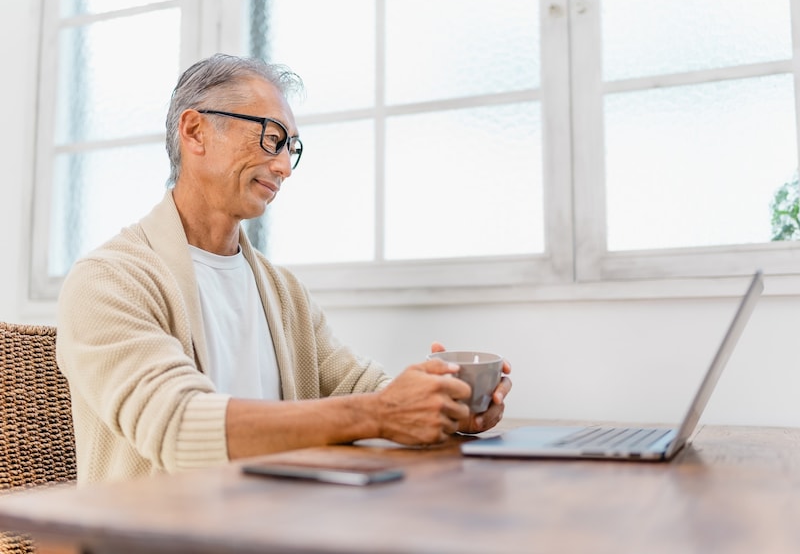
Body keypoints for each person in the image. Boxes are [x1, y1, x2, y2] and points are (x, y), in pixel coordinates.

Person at [56, 53, 512, 485]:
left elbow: (361, 387)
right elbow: (178, 425)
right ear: (195, 131)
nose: (284, 166)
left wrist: (446, 406)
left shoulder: (283, 291)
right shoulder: (108, 280)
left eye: (291, 148)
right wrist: (382, 412)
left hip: (281, 524)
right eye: (272, 137)